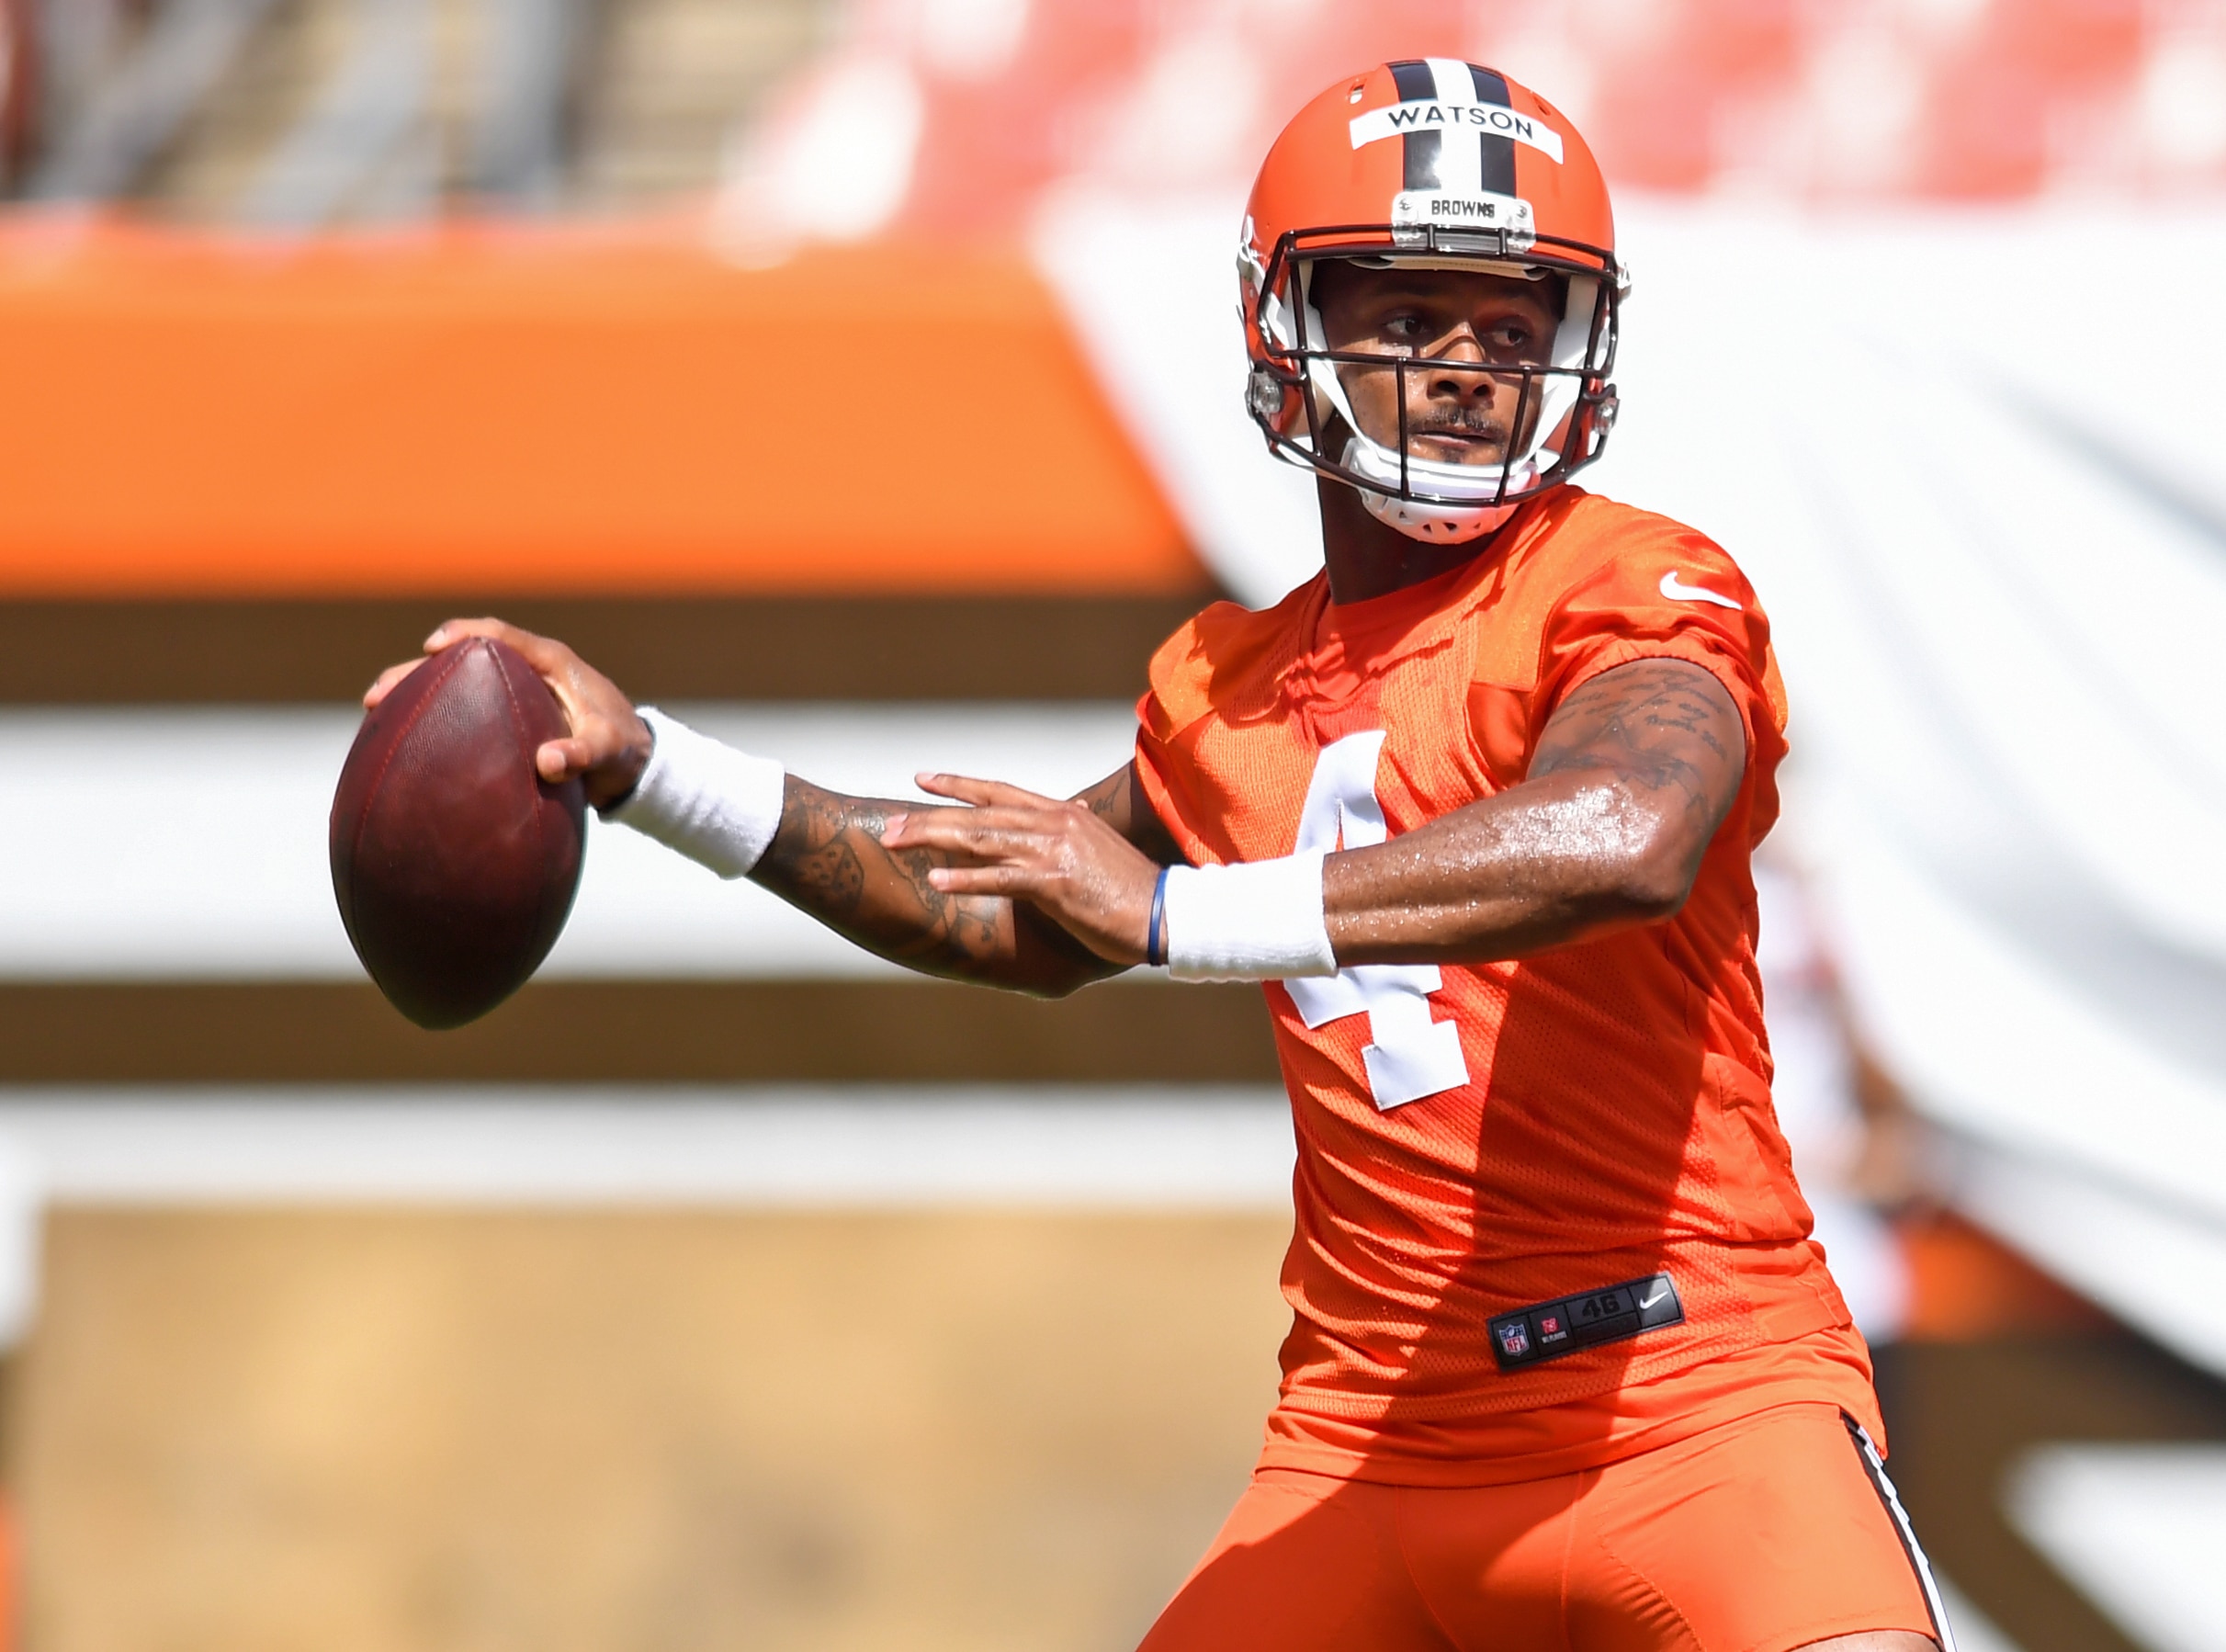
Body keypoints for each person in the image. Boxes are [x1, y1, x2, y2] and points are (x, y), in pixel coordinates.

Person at [369, 58, 1949, 1652]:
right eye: (1410, 318)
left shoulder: (1641, 580)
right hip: (1373, 1446)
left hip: (1690, 1404)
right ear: (1293, 333)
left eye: (1514, 322)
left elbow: (1629, 833)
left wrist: (1184, 912)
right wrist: (651, 764)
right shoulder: (1225, 687)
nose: (1470, 366)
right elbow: (1001, 904)